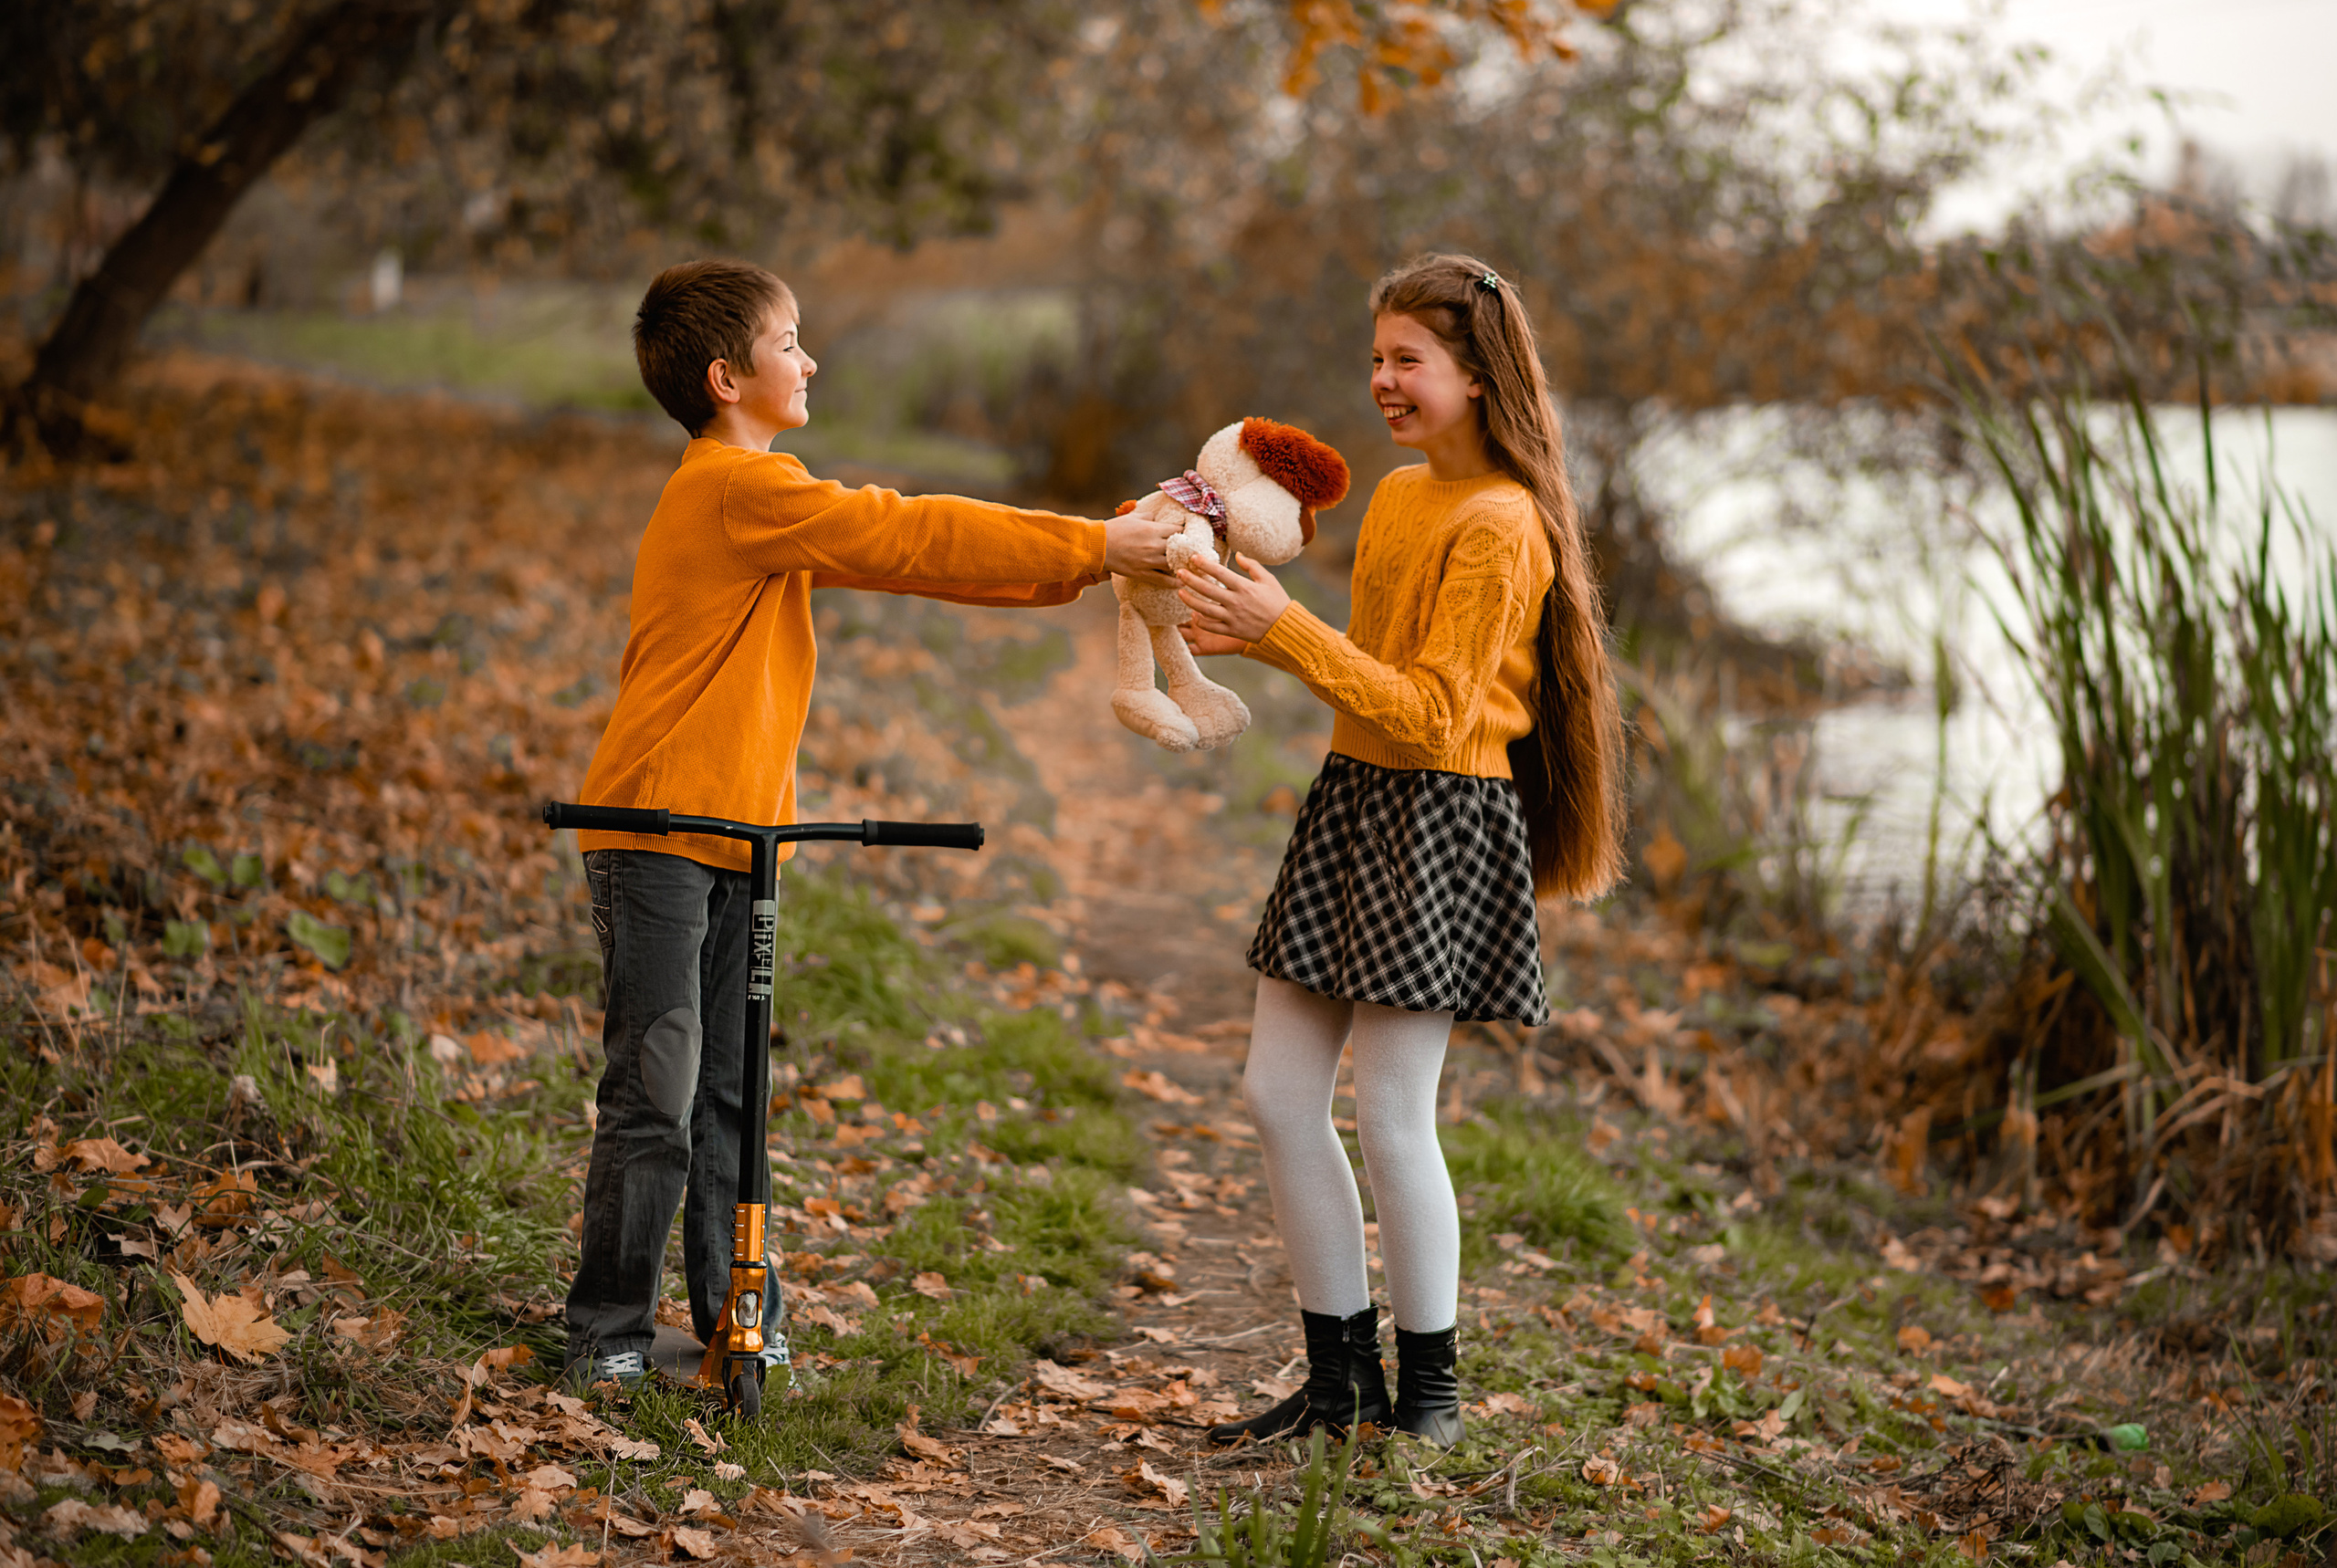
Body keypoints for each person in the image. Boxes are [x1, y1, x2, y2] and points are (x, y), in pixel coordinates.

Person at [561, 258, 1184, 1388]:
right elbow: (905, 534)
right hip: (653, 826)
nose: (810, 359)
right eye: (790, 341)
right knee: (656, 1089)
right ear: (726, 376)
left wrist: (1086, 559)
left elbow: (915, 552)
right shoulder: (732, 485)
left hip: (736, 832)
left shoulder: (753, 491)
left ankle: (734, 1317)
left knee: (726, 1094)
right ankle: (605, 1331)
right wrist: (1091, 548)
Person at [1176, 253, 1625, 1447]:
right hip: (1358, 802)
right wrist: (1251, 608)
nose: (1381, 379)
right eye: (1375, 357)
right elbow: (1371, 681)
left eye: (1406, 360)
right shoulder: (1400, 494)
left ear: (1477, 376)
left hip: (1442, 820)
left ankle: (1426, 1397)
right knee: (1277, 1094)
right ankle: (1339, 1390)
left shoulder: (1503, 522)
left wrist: (1287, 632)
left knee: (1391, 1117)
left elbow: (1433, 712)